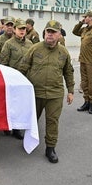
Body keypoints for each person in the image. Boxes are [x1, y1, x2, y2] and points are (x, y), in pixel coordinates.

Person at [19, 20, 74, 163]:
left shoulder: (63, 52)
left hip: (55, 94)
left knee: (52, 121)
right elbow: (23, 67)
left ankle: (50, 148)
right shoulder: (35, 48)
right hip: (35, 92)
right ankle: (29, 140)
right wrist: (19, 88)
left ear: (59, 35)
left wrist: (71, 91)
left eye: (53, 32)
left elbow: (68, 72)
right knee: (32, 119)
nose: (49, 34)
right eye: (47, 31)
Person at [0, 18, 33, 139]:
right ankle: (8, 126)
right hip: (12, 80)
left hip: (26, 79)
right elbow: (3, 62)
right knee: (11, 104)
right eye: (19, 29)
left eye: (24, 29)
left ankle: (17, 128)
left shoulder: (30, 44)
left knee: (22, 105)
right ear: (14, 30)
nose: (22, 31)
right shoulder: (8, 44)